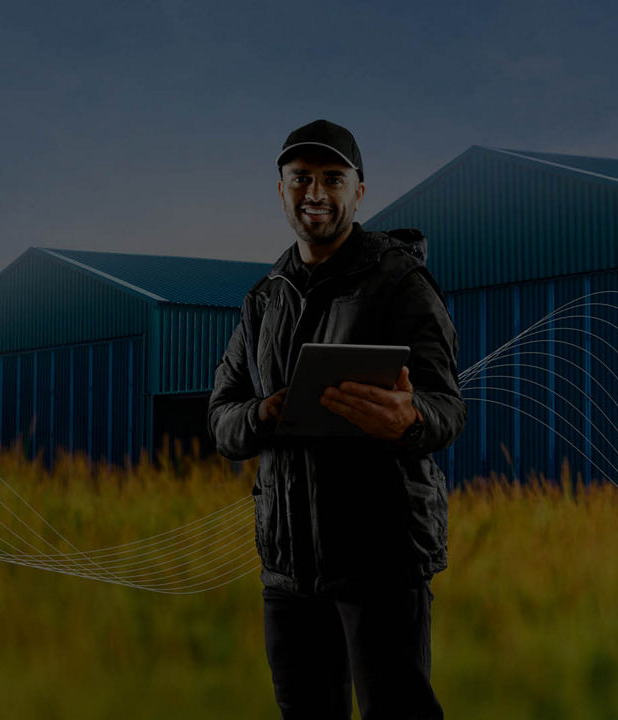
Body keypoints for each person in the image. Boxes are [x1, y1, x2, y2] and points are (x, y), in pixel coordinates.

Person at [207, 118, 466, 719]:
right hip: (289, 566)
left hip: (381, 559)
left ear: (360, 191)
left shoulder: (401, 284)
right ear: (281, 190)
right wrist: (264, 414)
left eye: (332, 178)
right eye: (301, 179)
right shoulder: (262, 299)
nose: (315, 193)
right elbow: (221, 418)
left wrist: (408, 420)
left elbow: (448, 408)